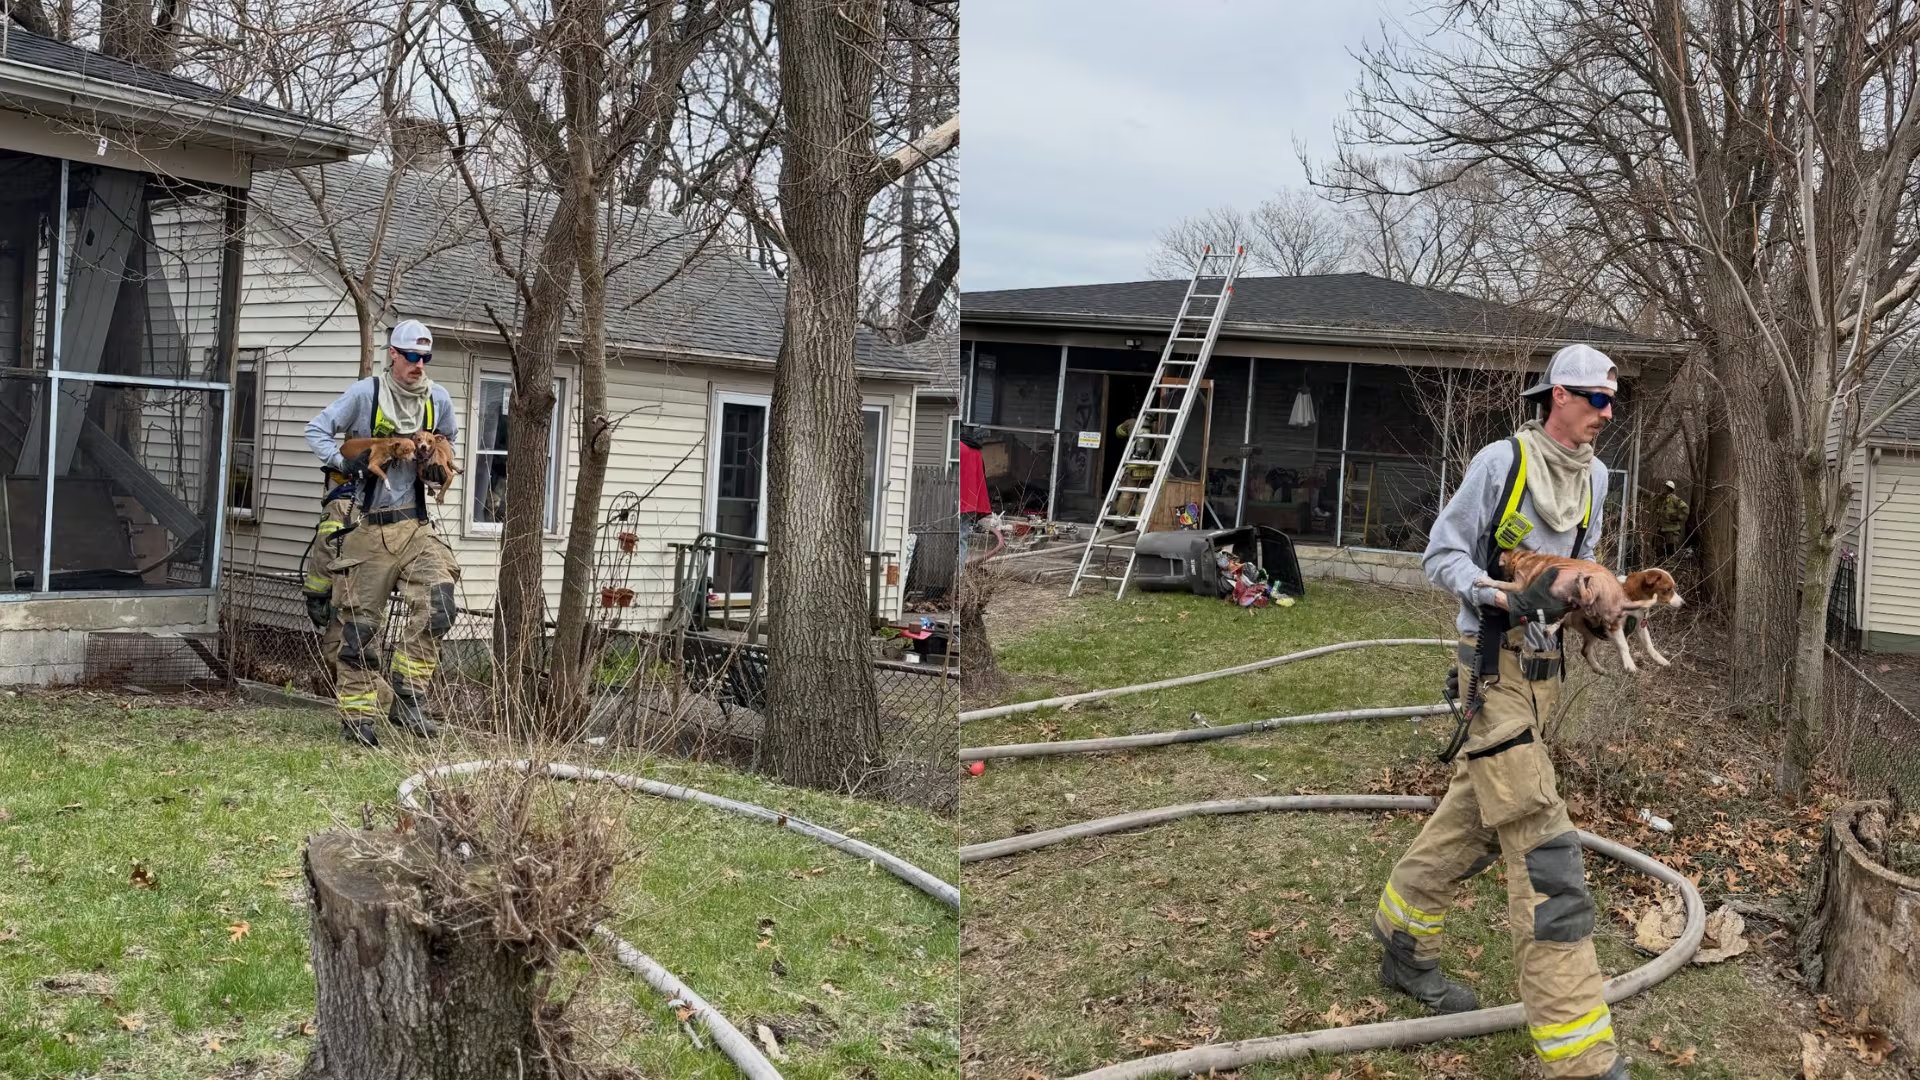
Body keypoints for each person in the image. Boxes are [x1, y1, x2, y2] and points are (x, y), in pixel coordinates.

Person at [1370, 343, 1628, 1080]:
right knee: (1546, 851)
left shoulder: (1597, 480)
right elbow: (1440, 558)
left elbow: (1580, 569)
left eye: (1614, 401)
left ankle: (1401, 938)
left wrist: (1596, 609)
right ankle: (1583, 1060)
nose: (1606, 416)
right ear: (1558, 397)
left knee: (1477, 819)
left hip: (1544, 679)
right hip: (1490, 670)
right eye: (1595, 400)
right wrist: (1505, 595)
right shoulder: (1501, 464)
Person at [301, 320, 461, 747]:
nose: (418, 365)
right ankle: (359, 717)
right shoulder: (364, 395)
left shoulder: (438, 400)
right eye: (411, 356)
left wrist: (437, 469)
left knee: (440, 604)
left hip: (414, 525)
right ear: (393, 353)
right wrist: (344, 460)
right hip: (366, 528)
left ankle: (408, 698)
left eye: (425, 358)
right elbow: (315, 429)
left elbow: (448, 447)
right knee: (358, 629)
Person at [1654, 479, 1690, 563]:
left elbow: (1685, 508)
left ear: (1669, 489)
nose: (1663, 489)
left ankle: (1670, 567)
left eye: (1665, 487)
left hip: (1671, 530)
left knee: (1670, 549)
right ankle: (1661, 564)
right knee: (1659, 548)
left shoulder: (1674, 499)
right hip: (1661, 528)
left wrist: (1677, 517)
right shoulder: (1661, 498)